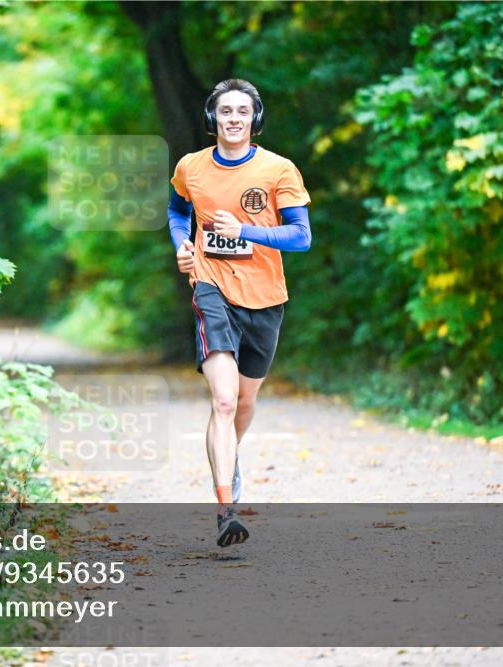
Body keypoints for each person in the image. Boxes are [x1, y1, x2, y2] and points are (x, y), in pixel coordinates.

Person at [168, 79, 312, 547]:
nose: (233, 119)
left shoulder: (278, 169)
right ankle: (226, 509)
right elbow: (176, 211)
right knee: (224, 400)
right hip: (211, 288)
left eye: (242, 112)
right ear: (212, 119)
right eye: (225, 111)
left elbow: (301, 237)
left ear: (254, 118)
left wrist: (248, 231)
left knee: (245, 404)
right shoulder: (191, 166)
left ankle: (227, 458)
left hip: (266, 297)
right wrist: (183, 245)